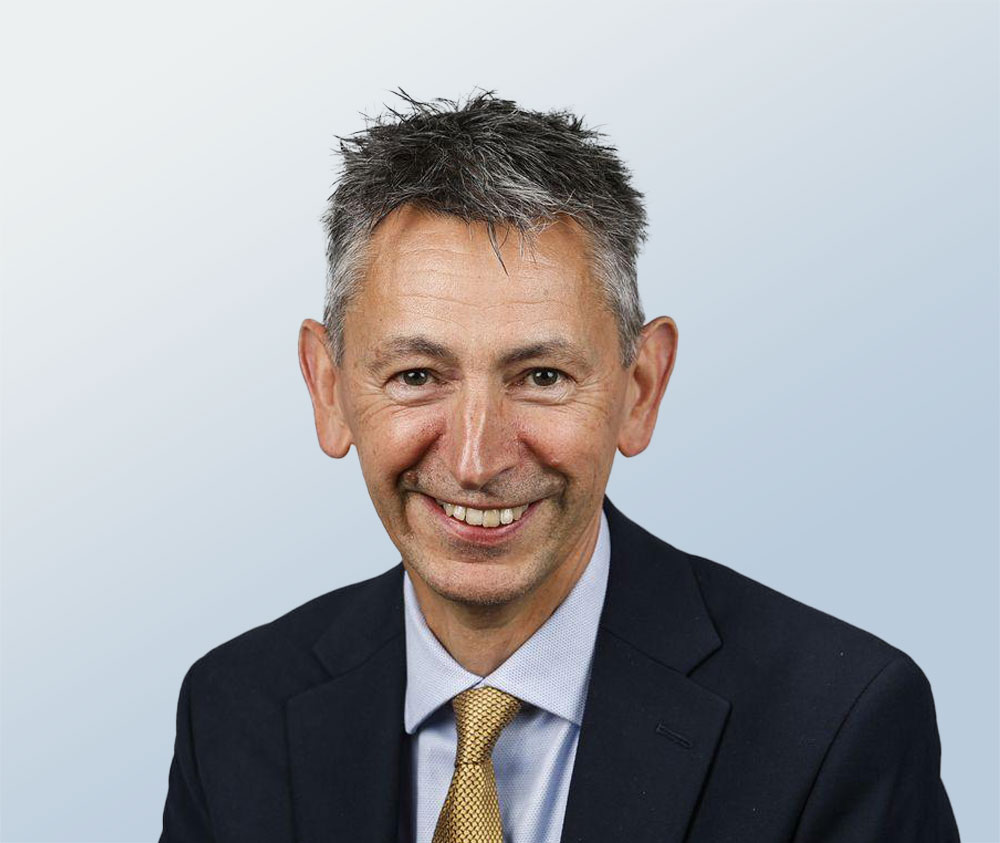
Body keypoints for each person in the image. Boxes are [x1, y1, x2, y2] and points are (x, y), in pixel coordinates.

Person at [159, 90, 960, 843]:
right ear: (328, 388)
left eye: (541, 376)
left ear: (640, 389)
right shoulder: (232, 710)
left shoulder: (840, 725)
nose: (476, 460)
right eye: (416, 374)